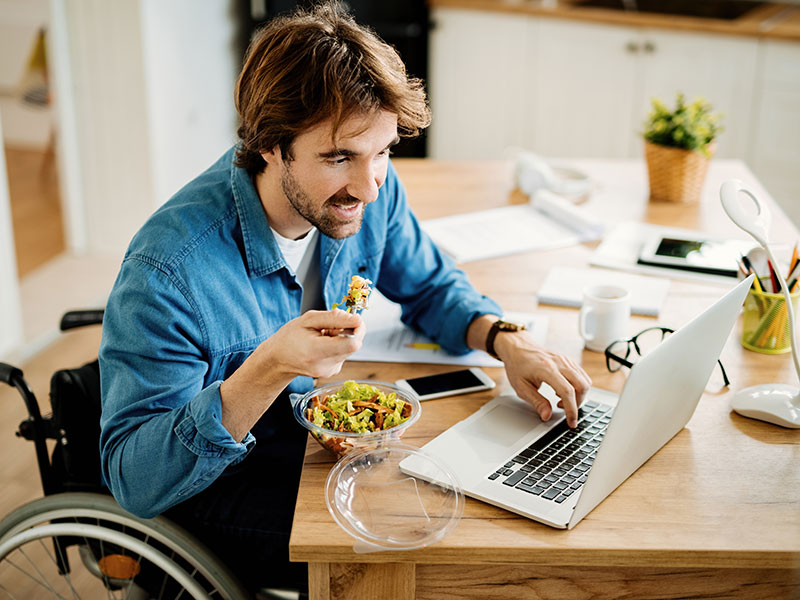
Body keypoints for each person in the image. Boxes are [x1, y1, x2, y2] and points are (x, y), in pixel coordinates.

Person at [98, 3, 591, 593]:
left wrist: (506, 339)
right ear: (270, 145)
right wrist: (270, 367)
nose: (369, 186)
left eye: (383, 151)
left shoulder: (368, 188)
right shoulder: (168, 270)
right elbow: (136, 482)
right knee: (403, 554)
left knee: (473, 515)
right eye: (339, 158)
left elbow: (430, 284)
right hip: (214, 487)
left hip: (311, 445)